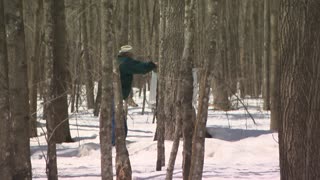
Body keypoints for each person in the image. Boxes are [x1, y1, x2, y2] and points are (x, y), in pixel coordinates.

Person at [112, 45, 157, 145]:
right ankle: (115, 143)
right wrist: (152, 65)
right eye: (131, 53)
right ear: (128, 54)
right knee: (117, 121)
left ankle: (116, 142)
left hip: (112, 94)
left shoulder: (116, 61)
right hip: (116, 95)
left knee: (116, 120)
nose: (133, 55)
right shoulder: (126, 62)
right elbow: (141, 67)